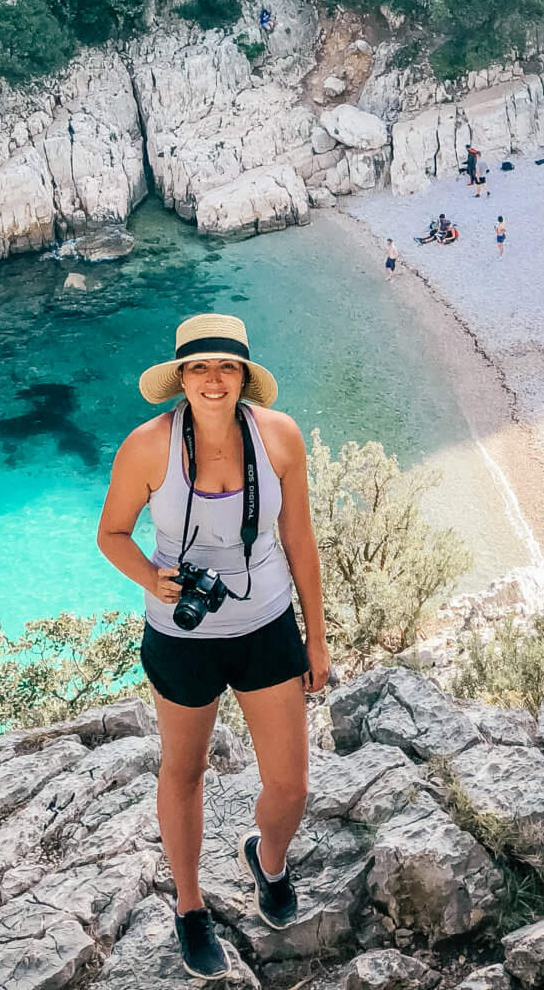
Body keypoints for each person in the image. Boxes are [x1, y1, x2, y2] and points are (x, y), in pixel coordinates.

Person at [97, 314, 330, 978]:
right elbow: (111, 534)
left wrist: (318, 641)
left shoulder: (279, 438)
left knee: (290, 784)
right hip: (181, 635)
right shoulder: (148, 447)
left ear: (244, 378)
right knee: (185, 770)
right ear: (181, 378)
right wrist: (154, 579)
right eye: (199, 368)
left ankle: (269, 859)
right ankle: (190, 907)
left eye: (227, 367)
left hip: (266, 626)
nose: (213, 380)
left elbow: (300, 543)